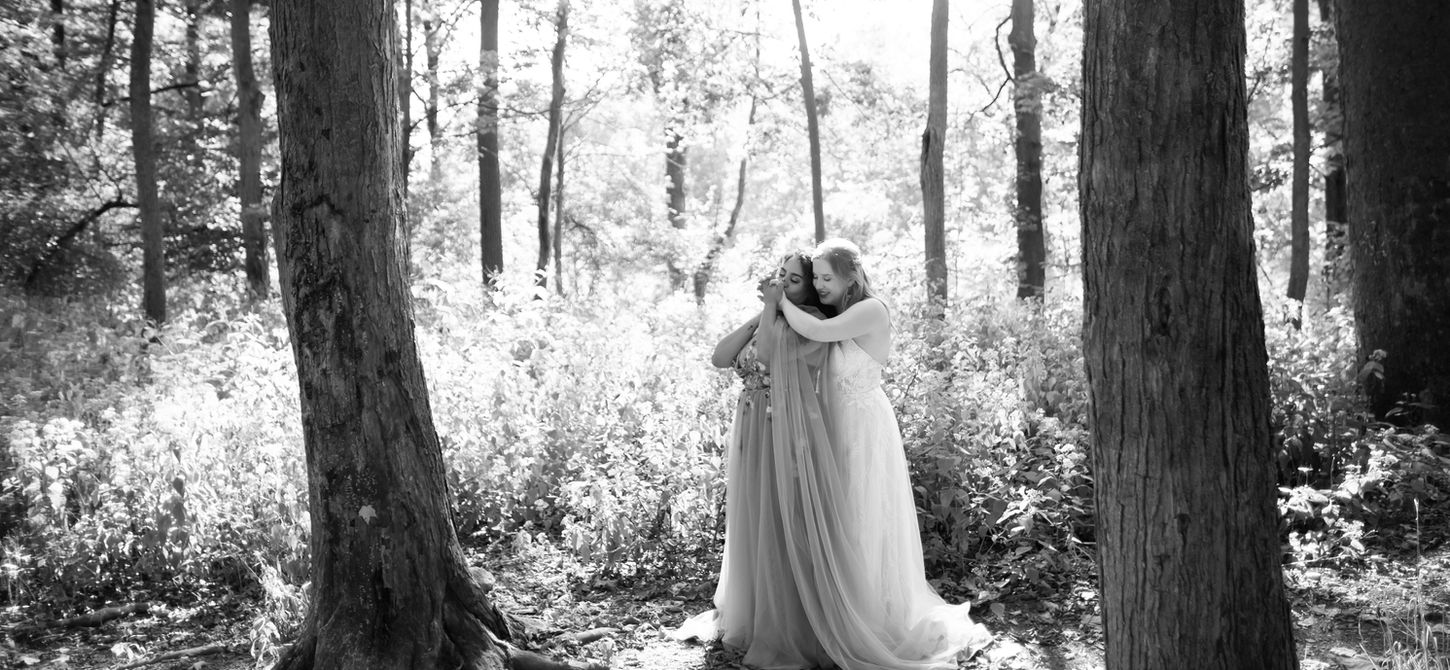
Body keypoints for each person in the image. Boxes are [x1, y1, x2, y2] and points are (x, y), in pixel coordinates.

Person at [768, 237, 991, 669]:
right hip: (834, 427)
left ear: (853, 277)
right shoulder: (838, 311)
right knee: (844, 521)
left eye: (827, 277)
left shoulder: (870, 310)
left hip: (864, 427)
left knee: (865, 516)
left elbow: (815, 331)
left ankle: (873, 619)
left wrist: (778, 302)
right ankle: (843, 611)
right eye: (816, 278)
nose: (820, 284)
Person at [673, 250, 837, 670]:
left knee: (782, 520)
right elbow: (720, 357)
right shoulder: (768, 315)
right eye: (779, 275)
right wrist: (761, 311)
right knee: (751, 516)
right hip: (750, 424)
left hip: (784, 426)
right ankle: (753, 609)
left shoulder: (812, 323)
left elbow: (765, 355)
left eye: (793, 280)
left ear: (809, 289)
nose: (781, 283)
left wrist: (771, 306)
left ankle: (790, 621)